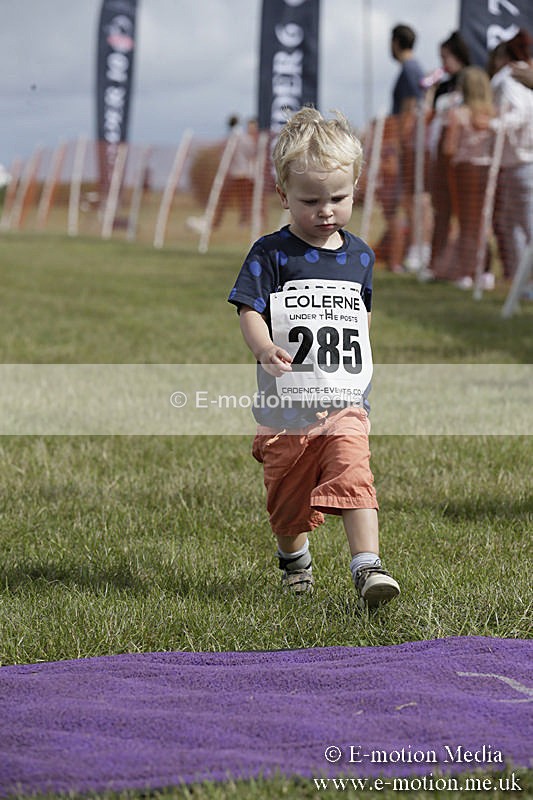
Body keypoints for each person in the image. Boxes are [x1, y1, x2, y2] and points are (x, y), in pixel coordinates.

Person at [227, 107, 400, 608]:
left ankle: (368, 567)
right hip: (287, 409)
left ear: (355, 187)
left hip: (345, 400)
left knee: (355, 473)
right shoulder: (271, 253)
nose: (326, 210)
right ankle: (295, 561)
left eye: (338, 198)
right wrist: (262, 348)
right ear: (283, 195)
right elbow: (249, 309)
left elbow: (360, 314)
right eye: (311, 200)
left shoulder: (362, 256)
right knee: (286, 504)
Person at [374, 24, 425, 273]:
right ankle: (402, 255)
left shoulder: (409, 70)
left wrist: (397, 146)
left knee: (396, 203)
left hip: (402, 148)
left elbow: (409, 109)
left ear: (395, 42)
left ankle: (405, 255)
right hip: (404, 146)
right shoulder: (413, 69)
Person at [442, 67, 496, 289]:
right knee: (484, 223)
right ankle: (486, 272)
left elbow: (448, 147)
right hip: (488, 171)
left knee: (466, 224)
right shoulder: (493, 114)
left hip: (464, 172)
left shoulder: (459, 113)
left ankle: (466, 272)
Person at [425, 31, 471, 281]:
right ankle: (438, 264)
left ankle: (468, 268)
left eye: (445, 56)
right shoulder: (443, 84)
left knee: (465, 214)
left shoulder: (470, 80)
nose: (443, 62)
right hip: (439, 157)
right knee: (440, 212)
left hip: (460, 159)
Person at [489, 30, 533, 280]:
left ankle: (522, 282)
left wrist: (492, 125)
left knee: (523, 226)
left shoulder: (506, 80)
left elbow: (518, 116)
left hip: (520, 161)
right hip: (519, 162)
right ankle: (520, 283)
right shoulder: (521, 79)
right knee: (515, 226)